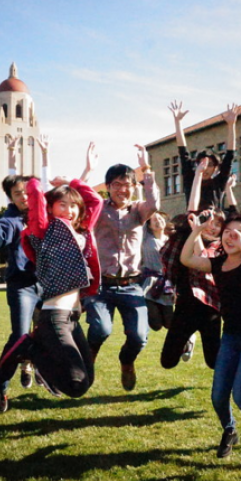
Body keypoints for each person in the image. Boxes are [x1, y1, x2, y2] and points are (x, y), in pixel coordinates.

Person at [180, 212, 241, 477]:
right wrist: (197, 231)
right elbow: (186, 258)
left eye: (237, 233)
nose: (230, 236)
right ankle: (230, 430)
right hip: (231, 337)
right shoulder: (218, 263)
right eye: (227, 232)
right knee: (218, 396)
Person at [0, 165, 102, 398]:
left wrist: (72, 182)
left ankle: (35, 352)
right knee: (76, 385)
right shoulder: (45, 231)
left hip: (74, 317)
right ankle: (30, 349)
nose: (69, 210)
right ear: (51, 208)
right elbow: (36, 203)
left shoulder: (83, 232)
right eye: (62, 204)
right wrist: (34, 181)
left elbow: (95, 202)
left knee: (87, 380)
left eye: (73, 205)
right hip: (54, 315)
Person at [84, 146, 159, 391]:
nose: (122, 189)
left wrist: (146, 169)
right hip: (101, 285)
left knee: (139, 337)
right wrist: (87, 169)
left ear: (134, 187)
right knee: (101, 328)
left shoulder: (138, 210)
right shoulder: (98, 209)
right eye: (117, 184)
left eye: (127, 184)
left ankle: (127, 362)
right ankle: (89, 359)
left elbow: (154, 201)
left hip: (131, 285)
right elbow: (79, 197)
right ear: (108, 186)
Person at [0, 172, 41, 412]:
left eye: (27, 191)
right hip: (22, 286)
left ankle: (31, 365)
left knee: (52, 332)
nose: (24, 197)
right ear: (11, 198)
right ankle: (1, 387)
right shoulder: (11, 220)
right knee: (20, 337)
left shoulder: (44, 215)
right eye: (17, 194)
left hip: (48, 285)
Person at [160, 159, 224, 369]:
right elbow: (192, 210)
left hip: (211, 308)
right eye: (209, 223)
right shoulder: (189, 235)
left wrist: (197, 231)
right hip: (186, 306)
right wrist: (197, 175)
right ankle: (187, 341)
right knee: (167, 362)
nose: (211, 228)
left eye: (217, 225)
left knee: (214, 362)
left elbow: (201, 256)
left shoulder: (221, 248)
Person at [169, 100, 239, 211]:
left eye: (210, 164)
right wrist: (178, 122)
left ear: (216, 168)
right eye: (202, 163)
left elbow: (230, 155)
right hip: (193, 223)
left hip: (214, 224)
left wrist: (231, 125)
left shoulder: (219, 182)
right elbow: (183, 152)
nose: (205, 168)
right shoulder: (191, 179)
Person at [141, 211, 174, 332]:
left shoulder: (171, 241)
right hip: (149, 283)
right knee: (156, 325)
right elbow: (143, 218)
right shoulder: (146, 238)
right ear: (149, 225)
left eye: (160, 219)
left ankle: (189, 340)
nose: (158, 221)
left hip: (166, 284)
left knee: (170, 323)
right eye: (154, 220)